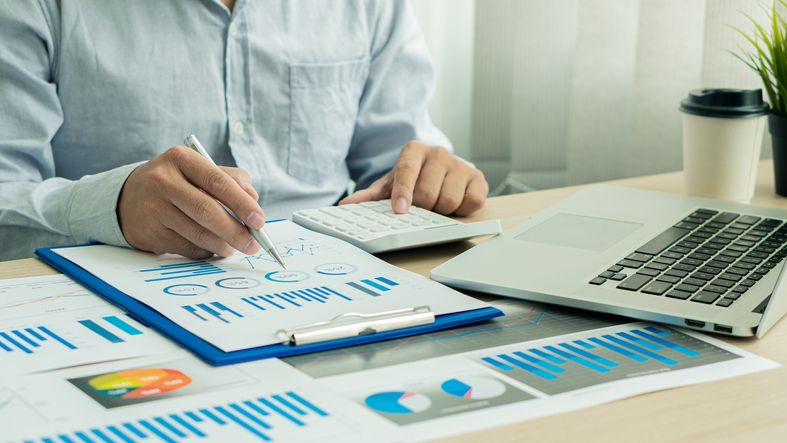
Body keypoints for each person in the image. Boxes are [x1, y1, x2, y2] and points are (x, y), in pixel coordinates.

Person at [0, 0, 488, 261]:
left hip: (340, 283)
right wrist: (112, 207)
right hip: (117, 292)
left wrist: (431, 176)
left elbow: (396, 158)